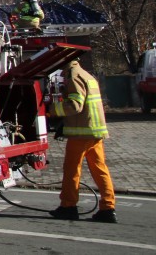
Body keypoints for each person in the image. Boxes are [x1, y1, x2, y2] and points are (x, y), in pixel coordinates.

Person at [48, 58, 117, 223]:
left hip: (82, 134)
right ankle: (108, 208)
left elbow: (75, 104)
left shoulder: (73, 75)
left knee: (72, 170)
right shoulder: (87, 75)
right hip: (95, 131)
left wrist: (51, 110)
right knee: (100, 170)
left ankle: (68, 206)